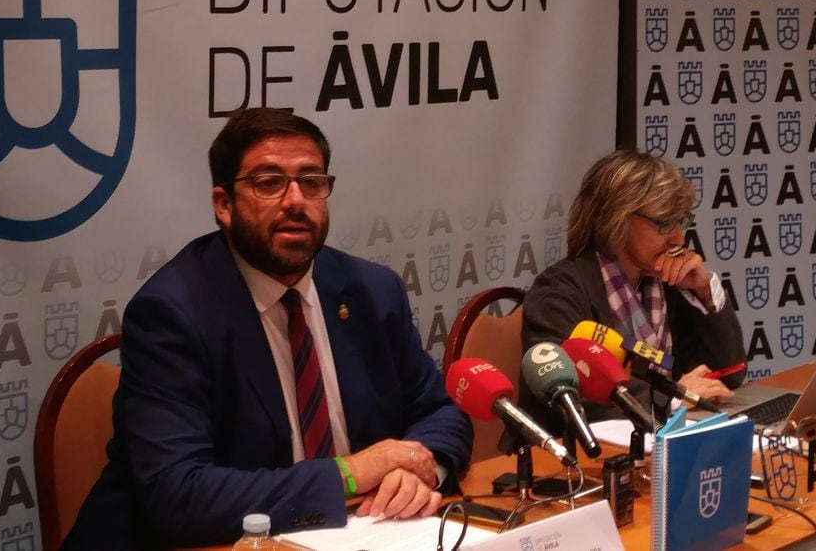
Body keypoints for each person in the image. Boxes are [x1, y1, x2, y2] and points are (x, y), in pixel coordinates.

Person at [63, 108, 471, 550]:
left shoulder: (372, 291)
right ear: (224, 205)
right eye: (269, 183)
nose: (295, 201)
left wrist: (418, 469)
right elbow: (179, 494)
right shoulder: (174, 314)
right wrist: (349, 475)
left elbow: (441, 413)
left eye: (311, 182)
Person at [519, 149, 746, 433]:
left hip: (659, 441)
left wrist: (703, 290)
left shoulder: (668, 284)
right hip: (568, 456)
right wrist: (672, 397)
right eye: (664, 223)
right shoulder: (557, 293)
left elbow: (729, 375)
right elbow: (570, 394)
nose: (678, 237)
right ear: (616, 219)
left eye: (681, 221)